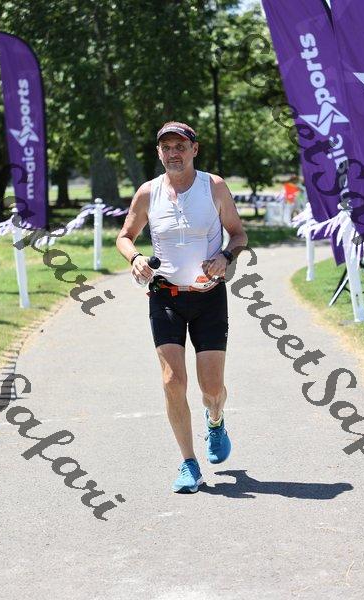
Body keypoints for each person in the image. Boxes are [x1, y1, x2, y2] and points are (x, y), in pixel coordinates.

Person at [116, 121, 248, 493]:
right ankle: (189, 463)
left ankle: (215, 419)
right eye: (167, 147)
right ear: (159, 152)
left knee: (212, 388)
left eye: (180, 146)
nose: (173, 153)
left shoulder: (214, 187)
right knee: (173, 381)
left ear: (194, 149)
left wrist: (225, 257)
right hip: (165, 296)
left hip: (209, 298)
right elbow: (125, 236)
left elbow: (238, 234)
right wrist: (135, 258)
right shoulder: (148, 193)